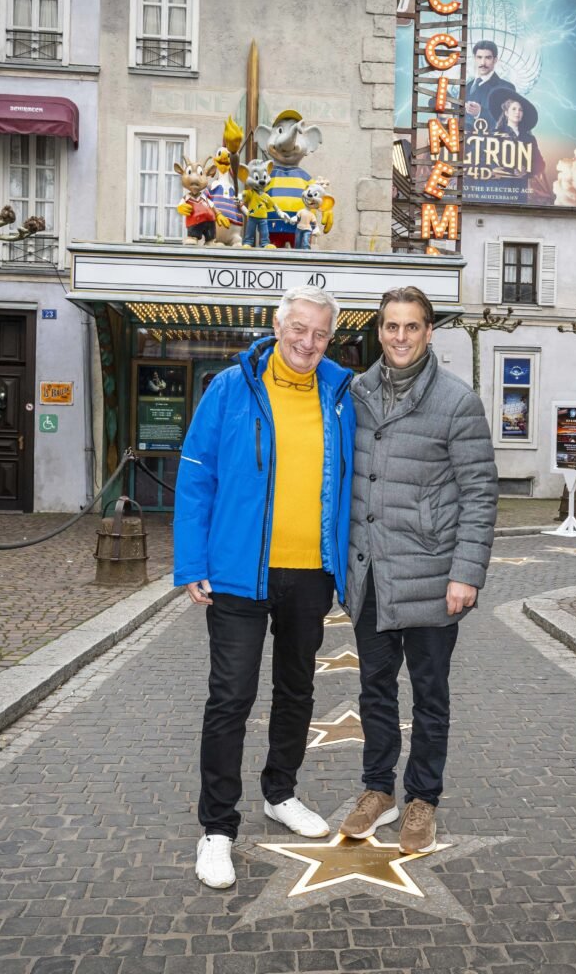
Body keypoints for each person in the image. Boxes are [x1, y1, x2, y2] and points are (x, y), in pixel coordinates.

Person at [174, 286, 356, 889]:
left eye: (320, 333)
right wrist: (190, 559)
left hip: (311, 572)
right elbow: (197, 474)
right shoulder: (231, 387)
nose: (307, 342)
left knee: (298, 690)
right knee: (230, 698)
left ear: (332, 336)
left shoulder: (341, 393)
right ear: (277, 326)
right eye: (298, 329)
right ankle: (217, 829)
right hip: (237, 573)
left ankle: (281, 792)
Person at [339, 287, 497, 855]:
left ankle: (422, 797)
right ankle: (378, 789)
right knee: (374, 690)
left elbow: (480, 494)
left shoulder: (457, 401)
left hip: (433, 576)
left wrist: (467, 573)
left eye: (411, 326)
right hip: (372, 576)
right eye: (390, 327)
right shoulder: (353, 393)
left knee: (430, 695)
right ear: (378, 332)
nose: (399, 337)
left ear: (430, 332)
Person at [491, 89, 547, 197]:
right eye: (514, 109)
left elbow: (540, 164)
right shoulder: (495, 135)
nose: (517, 112)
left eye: (520, 110)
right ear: (506, 113)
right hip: (498, 190)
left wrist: (526, 171)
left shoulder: (529, 139)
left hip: (520, 192)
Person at [465, 40, 515, 132]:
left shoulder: (506, 88)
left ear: (495, 60)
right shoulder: (467, 86)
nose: (483, 63)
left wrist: (480, 113)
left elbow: (508, 122)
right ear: (475, 59)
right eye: (479, 57)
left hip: (492, 144)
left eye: (488, 58)